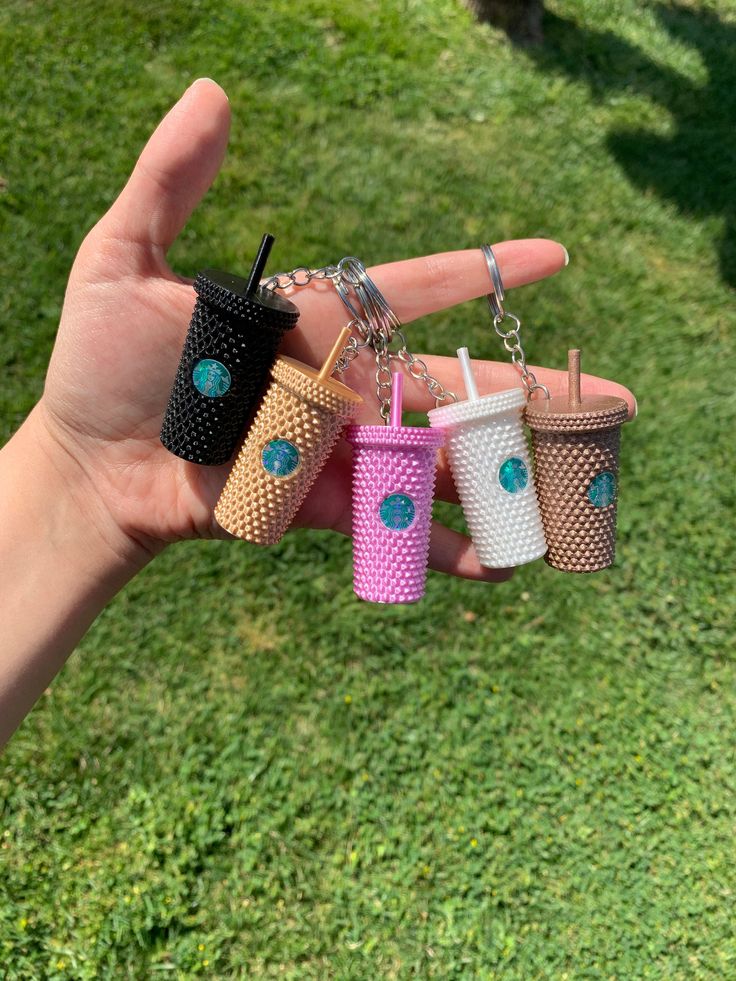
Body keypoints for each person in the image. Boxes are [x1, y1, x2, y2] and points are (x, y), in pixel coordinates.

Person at [0, 79, 635, 745]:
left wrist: (72, 473)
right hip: (293, 401)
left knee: (504, 516)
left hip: (371, 419)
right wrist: (74, 462)